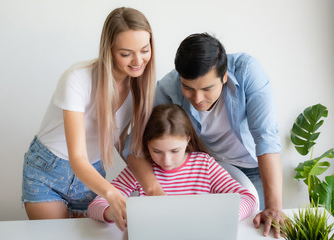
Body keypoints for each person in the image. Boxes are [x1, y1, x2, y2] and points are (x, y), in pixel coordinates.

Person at [126, 33, 283, 238]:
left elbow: (266, 137)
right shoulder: (167, 87)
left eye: (207, 88)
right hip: (206, 167)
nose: (197, 99)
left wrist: (273, 206)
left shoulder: (248, 71)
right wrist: (155, 192)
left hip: (253, 165)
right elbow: (134, 145)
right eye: (188, 88)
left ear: (224, 76)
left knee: (254, 229)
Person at [21, 7, 156, 227]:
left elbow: (124, 146)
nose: (137, 61)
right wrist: (111, 193)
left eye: (144, 50)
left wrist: (153, 187)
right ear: (109, 50)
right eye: (125, 53)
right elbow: (77, 158)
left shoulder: (140, 89)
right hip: (48, 171)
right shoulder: (78, 78)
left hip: (92, 175)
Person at [88, 104, 258, 230]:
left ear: (188, 140)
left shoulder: (204, 165)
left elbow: (248, 198)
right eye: (157, 151)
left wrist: (220, 217)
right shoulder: (140, 172)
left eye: (175, 151)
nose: (167, 161)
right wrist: (114, 213)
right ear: (147, 144)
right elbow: (95, 206)